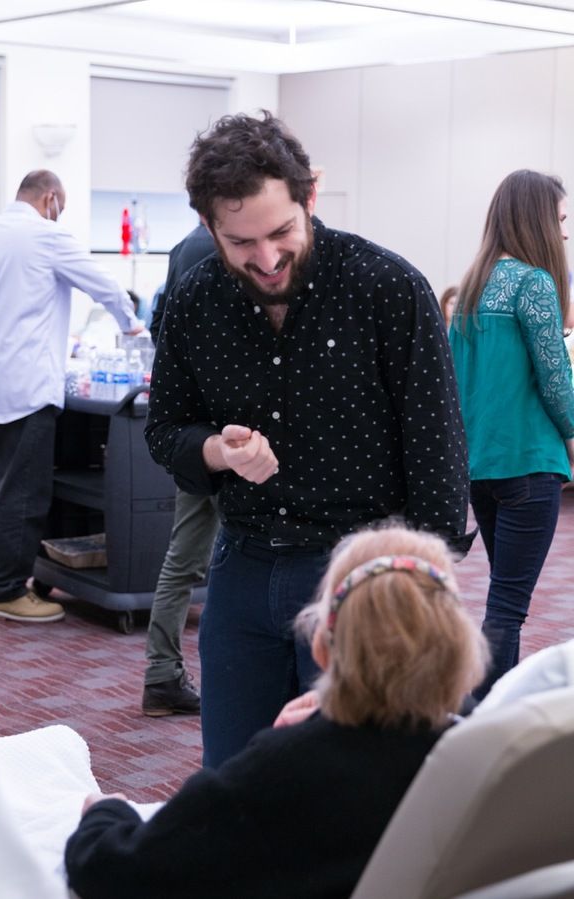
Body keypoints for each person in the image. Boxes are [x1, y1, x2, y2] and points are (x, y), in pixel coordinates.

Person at [145, 110, 473, 768]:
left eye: (280, 232)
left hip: (359, 577)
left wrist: (416, 611)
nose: (265, 260)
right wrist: (218, 451)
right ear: (208, 227)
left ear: (309, 198)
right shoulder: (195, 299)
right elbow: (165, 430)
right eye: (241, 242)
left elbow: (439, 471)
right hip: (240, 571)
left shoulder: (386, 289)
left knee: (349, 785)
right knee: (231, 780)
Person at [64, 525, 487, 899]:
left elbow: (116, 871)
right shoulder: (480, 749)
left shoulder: (287, 766)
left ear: (322, 644)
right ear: (457, 642)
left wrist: (104, 813)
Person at [0, 170, 144, 623]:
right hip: (25, 384)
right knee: (22, 491)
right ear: (50, 198)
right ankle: (9, 591)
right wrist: (132, 326)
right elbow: (105, 284)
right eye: (62, 207)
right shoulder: (46, 236)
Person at [450, 169, 574, 700]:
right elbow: (555, 379)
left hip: (484, 469)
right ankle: (476, 718)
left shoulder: (474, 284)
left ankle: (493, 713)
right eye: (561, 219)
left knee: (504, 603)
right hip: (528, 463)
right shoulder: (534, 282)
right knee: (507, 609)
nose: (565, 232)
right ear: (538, 219)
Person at [143, 223, 219, 717]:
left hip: (194, 430)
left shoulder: (180, 249)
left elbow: (158, 329)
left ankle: (162, 675)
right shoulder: (227, 252)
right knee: (247, 560)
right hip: (230, 432)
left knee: (183, 559)